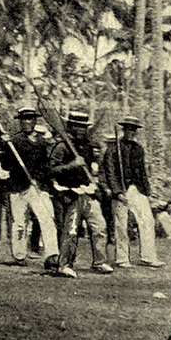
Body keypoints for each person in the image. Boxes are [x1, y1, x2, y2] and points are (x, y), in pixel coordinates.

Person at [49, 111, 114, 278]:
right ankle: (64, 265)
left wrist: (93, 176)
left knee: (99, 227)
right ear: (70, 127)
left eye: (83, 127)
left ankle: (100, 262)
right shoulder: (62, 146)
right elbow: (51, 170)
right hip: (70, 194)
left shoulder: (87, 147)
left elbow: (93, 168)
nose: (80, 130)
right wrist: (72, 165)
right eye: (77, 127)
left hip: (88, 192)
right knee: (71, 231)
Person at [0, 107, 60, 266]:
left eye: (30, 119)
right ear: (20, 121)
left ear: (35, 121)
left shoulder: (43, 142)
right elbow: (6, 166)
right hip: (18, 187)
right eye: (24, 119)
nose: (27, 122)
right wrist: (3, 147)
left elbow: (48, 165)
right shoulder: (14, 141)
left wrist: (41, 181)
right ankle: (19, 256)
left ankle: (52, 255)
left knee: (47, 218)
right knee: (19, 223)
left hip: (38, 187)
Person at [102, 115, 164, 268]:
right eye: (129, 129)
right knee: (121, 224)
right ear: (124, 129)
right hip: (121, 189)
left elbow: (142, 172)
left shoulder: (139, 149)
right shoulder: (113, 149)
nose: (131, 132)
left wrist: (147, 192)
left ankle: (148, 256)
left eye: (134, 129)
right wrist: (117, 192)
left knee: (147, 220)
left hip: (137, 189)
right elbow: (110, 172)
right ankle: (122, 259)